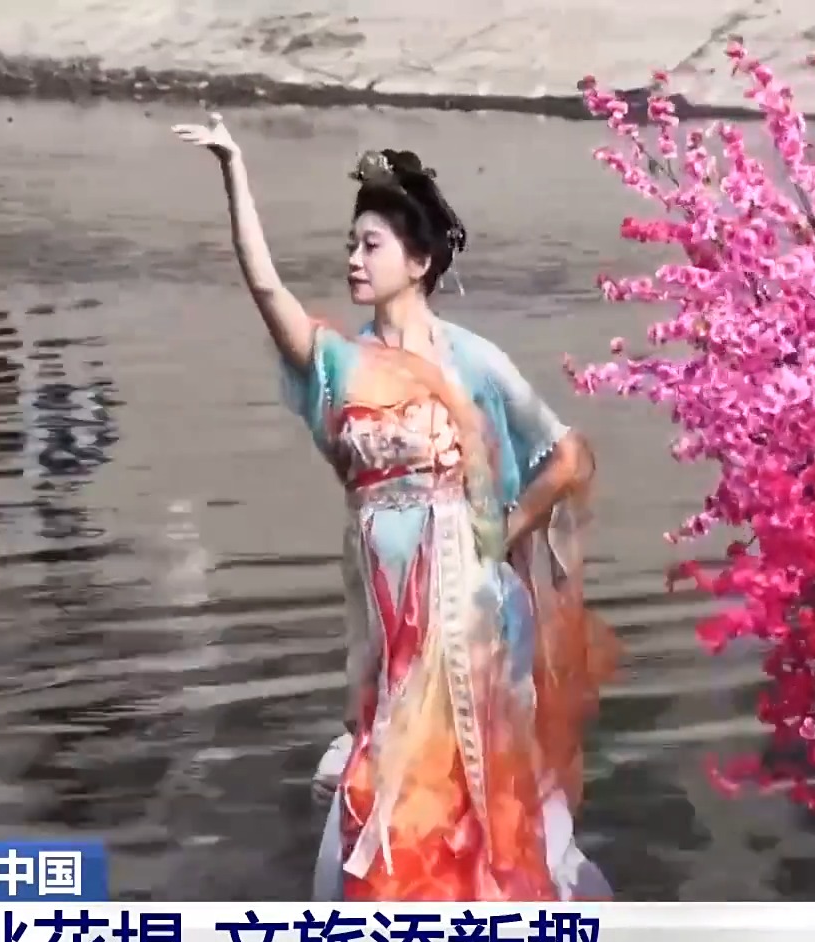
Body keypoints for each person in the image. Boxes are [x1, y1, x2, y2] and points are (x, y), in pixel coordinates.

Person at [173, 113, 618, 901]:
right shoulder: (340, 363)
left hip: (469, 613)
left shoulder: (473, 361)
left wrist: (500, 534)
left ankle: (487, 929)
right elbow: (266, 287)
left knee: (468, 790)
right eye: (350, 244)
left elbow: (568, 454)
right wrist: (233, 172)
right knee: (387, 778)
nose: (353, 259)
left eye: (371, 245)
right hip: (386, 612)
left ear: (418, 262)